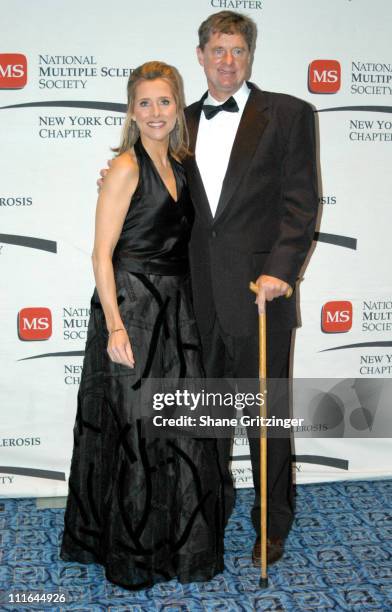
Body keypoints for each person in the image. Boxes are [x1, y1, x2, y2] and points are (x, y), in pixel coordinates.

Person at [99, 11, 318, 568]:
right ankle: (208, 520)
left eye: (237, 50)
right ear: (199, 55)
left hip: (260, 299)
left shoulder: (290, 114)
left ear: (250, 55)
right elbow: (155, 191)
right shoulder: (179, 122)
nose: (227, 60)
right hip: (192, 304)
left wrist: (281, 270)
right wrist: (114, 174)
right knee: (208, 428)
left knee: (266, 423)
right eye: (217, 50)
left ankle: (272, 525)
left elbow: (300, 205)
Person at [60, 61, 225, 591]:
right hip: (132, 307)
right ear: (132, 110)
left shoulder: (182, 163)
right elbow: (101, 254)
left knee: (179, 431)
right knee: (135, 431)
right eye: (145, 103)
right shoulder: (127, 167)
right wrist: (113, 327)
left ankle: (176, 544)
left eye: (165, 101)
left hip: (178, 311)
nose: (155, 112)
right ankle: (133, 551)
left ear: (178, 107)